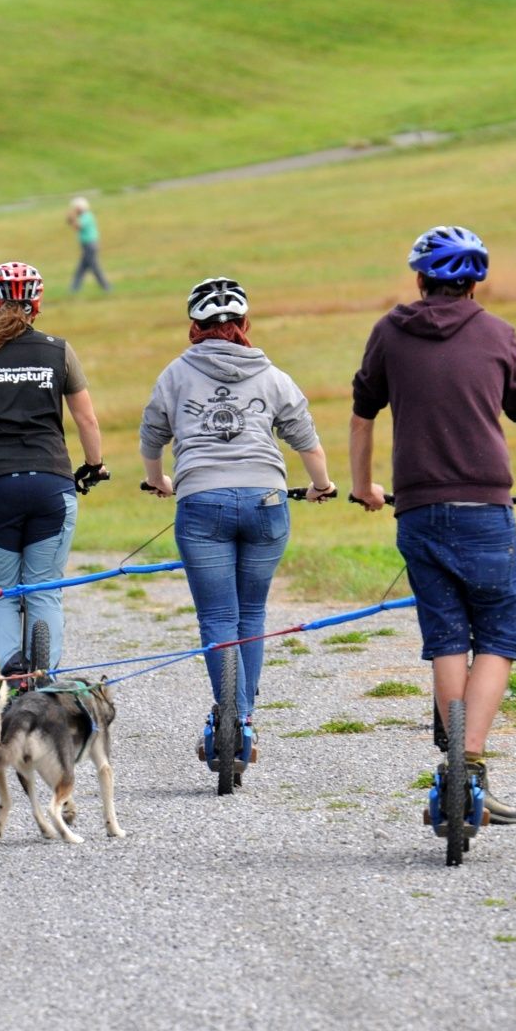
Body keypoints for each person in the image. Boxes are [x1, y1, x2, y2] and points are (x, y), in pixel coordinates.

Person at [348, 226, 516, 823]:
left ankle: (455, 778)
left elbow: (363, 416)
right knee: (497, 636)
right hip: (485, 510)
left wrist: (364, 485)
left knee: (446, 637)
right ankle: (467, 766)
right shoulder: (498, 333)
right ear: (474, 283)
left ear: (420, 279)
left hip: (417, 508)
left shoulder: (390, 332)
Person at [142, 277, 335, 767]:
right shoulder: (271, 374)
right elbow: (305, 437)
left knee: (217, 619)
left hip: (201, 502)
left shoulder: (174, 374)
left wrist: (159, 479)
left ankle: (227, 713)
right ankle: (243, 719)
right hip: (267, 501)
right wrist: (322, 485)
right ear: (245, 326)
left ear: (194, 328)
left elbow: (151, 435)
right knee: (251, 615)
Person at [0, 261, 108, 672]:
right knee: (45, 591)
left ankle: (10, 680)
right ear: (38, 302)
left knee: (2, 593)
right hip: (52, 483)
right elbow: (86, 419)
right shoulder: (59, 349)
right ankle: (43, 677)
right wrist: (94, 465)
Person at [67, 196, 109, 293]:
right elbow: (74, 225)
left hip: (90, 246)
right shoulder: (83, 216)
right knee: (81, 268)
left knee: (93, 267)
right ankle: (74, 289)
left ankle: (106, 286)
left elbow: (78, 226)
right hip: (86, 246)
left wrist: (73, 217)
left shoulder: (87, 216)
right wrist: (72, 219)